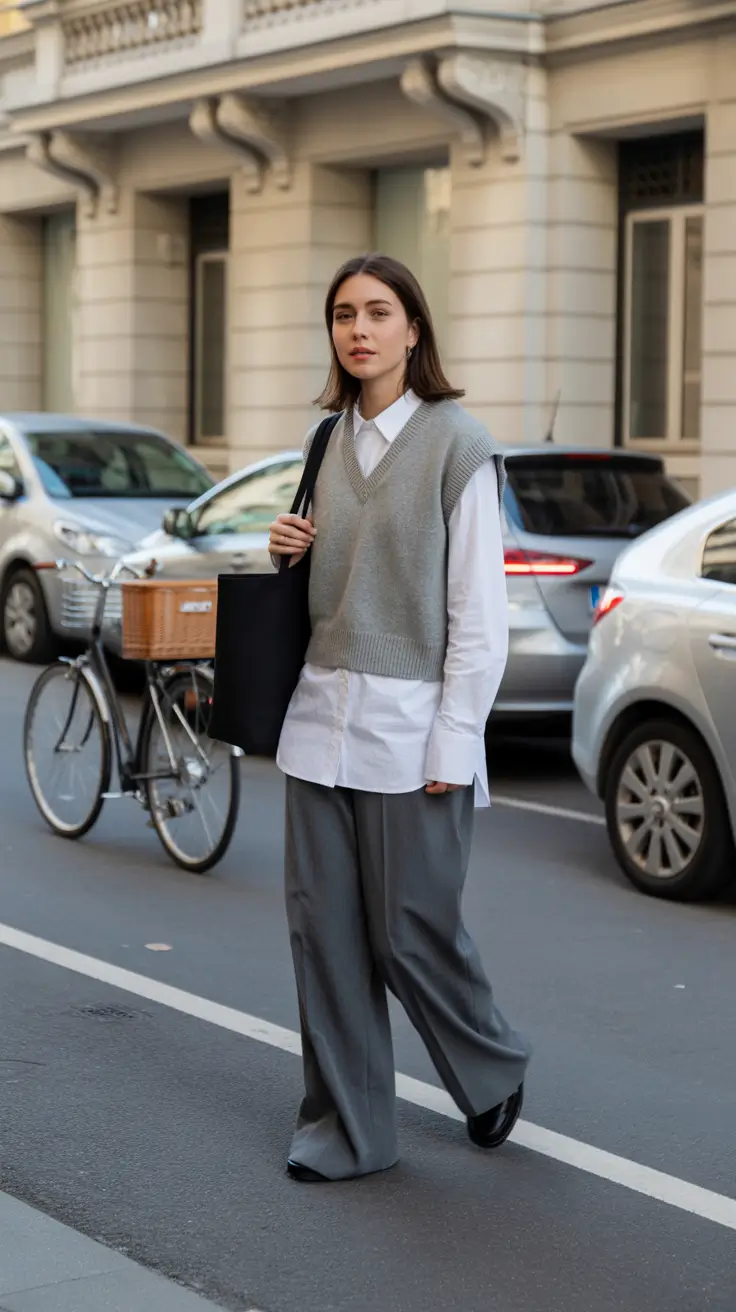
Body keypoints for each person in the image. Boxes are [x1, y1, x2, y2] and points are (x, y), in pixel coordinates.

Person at [268, 252, 531, 1183]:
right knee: (323, 937)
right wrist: (286, 550)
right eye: (344, 314)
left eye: (379, 312)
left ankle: (490, 1065)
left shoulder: (458, 447)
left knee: (409, 931)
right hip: (317, 722)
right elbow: (330, 589)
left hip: (412, 732)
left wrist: (455, 742)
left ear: (413, 329)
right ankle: (347, 1132)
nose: (360, 329)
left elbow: (479, 619)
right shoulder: (325, 442)